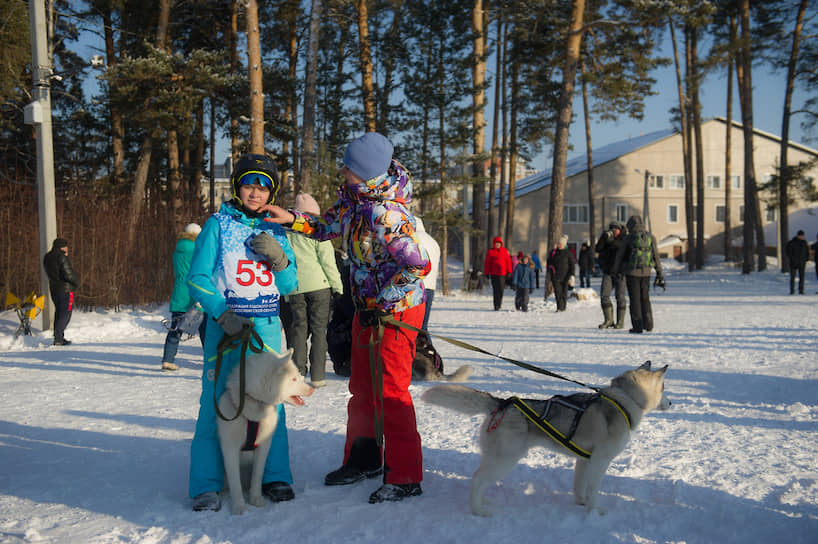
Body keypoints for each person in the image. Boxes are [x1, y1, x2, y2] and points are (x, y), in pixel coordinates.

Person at [264, 132, 430, 504]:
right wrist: (291, 218)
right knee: (362, 389)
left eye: (349, 166)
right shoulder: (355, 202)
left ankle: (405, 474)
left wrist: (386, 301)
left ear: (368, 173)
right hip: (368, 308)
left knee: (390, 392)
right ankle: (364, 458)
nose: (342, 170)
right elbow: (325, 229)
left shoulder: (388, 213)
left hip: (395, 311)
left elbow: (419, 265)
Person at [186, 153, 299, 512]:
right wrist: (221, 313)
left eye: (265, 187)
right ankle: (206, 482)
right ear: (238, 186)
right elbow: (197, 279)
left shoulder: (276, 227)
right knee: (217, 402)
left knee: (272, 402)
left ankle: (274, 475)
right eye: (250, 184)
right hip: (228, 327)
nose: (256, 193)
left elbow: (291, 282)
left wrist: (280, 258)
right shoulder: (217, 224)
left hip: (265, 326)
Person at [283, 193, 343, 387]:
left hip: (295, 287)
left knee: (299, 330)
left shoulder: (286, 233)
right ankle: (318, 377)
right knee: (319, 331)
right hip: (319, 286)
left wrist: (285, 289)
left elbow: (282, 261)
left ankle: (298, 374)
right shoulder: (318, 231)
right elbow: (328, 262)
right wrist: (338, 286)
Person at [160, 223, 207, 371]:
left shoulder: (178, 250)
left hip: (180, 291)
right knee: (205, 328)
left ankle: (168, 360)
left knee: (175, 328)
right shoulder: (198, 249)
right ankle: (210, 360)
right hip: (195, 292)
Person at [613, 215, 664, 333]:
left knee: (635, 299)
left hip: (632, 272)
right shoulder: (650, 237)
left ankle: (637, 326)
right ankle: (649, 324)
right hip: (646, 272)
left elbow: (620, 255)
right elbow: (656, 256)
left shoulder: (628, 238)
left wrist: (616, 270)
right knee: (645, 298)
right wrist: (659, 273)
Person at [43, 237, 80, 345]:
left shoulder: (47, 257)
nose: (67, 248)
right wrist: (77, 282)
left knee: (58, 312)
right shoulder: (61, 257)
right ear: (62, 247)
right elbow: (68, 274)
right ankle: (58, 338)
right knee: (65, 314)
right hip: (66, 289)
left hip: (54, 289)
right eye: (66, 246)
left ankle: (58, 336)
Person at [595, 221, 628, 329]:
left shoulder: (624, 238)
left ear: (620, 230)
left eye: (616, 229)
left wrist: (612, 241)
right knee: (604, 295)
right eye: (612, 230)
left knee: (620, 296)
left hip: (620, 272)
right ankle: (608, 320)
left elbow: (622, 249)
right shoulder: (606, 238)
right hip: (608, 271)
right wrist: (603, 238)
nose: (614, 232)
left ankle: (620, 322)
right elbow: (598, 249)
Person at [414, 216, 440, 338]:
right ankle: (428, 352)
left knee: (412, 326)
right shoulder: (433, 241)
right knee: (424, 326)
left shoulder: (412, 239)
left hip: (415, 286)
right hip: (430, 286)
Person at [547, 235, 576, 312]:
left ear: (564, 244)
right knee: (557, 292)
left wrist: (572, 275)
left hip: (565, 276)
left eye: (560, 244)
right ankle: (559, 307)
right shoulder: (554, 252)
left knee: (564, 293)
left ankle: (563, 307)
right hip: (555, 276)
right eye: (558, 243)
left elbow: (572, 264)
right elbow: (549, 262)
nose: (558, 245)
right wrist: (550, 270)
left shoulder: (568, 253)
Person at [484, 236, 512, 310]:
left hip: (502, 274)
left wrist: (509, 271)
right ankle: (496, 304)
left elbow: (508, 262)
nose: (497, 245)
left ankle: (499, 303)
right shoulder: (490, 252)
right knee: (495, 289)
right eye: (496, 243)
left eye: (499, 243)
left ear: (501, 244)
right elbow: (487, 263)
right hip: (494, 273)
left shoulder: (504, 251)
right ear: (494, 244)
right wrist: (487, 272)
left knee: (501, 289)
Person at [785, 230, 809, 295]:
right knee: (793, 277)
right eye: (801, 236)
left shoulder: (804, 243)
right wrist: (792, 259)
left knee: (802, 277)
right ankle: (792, 290)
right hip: (793, 263)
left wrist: (806, 259)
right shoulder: (792, 243)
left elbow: (807, 251)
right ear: (798, 236)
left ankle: (801, 290)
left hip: (802, 262)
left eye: (803, 236)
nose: (802, 237)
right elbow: (788, 252)